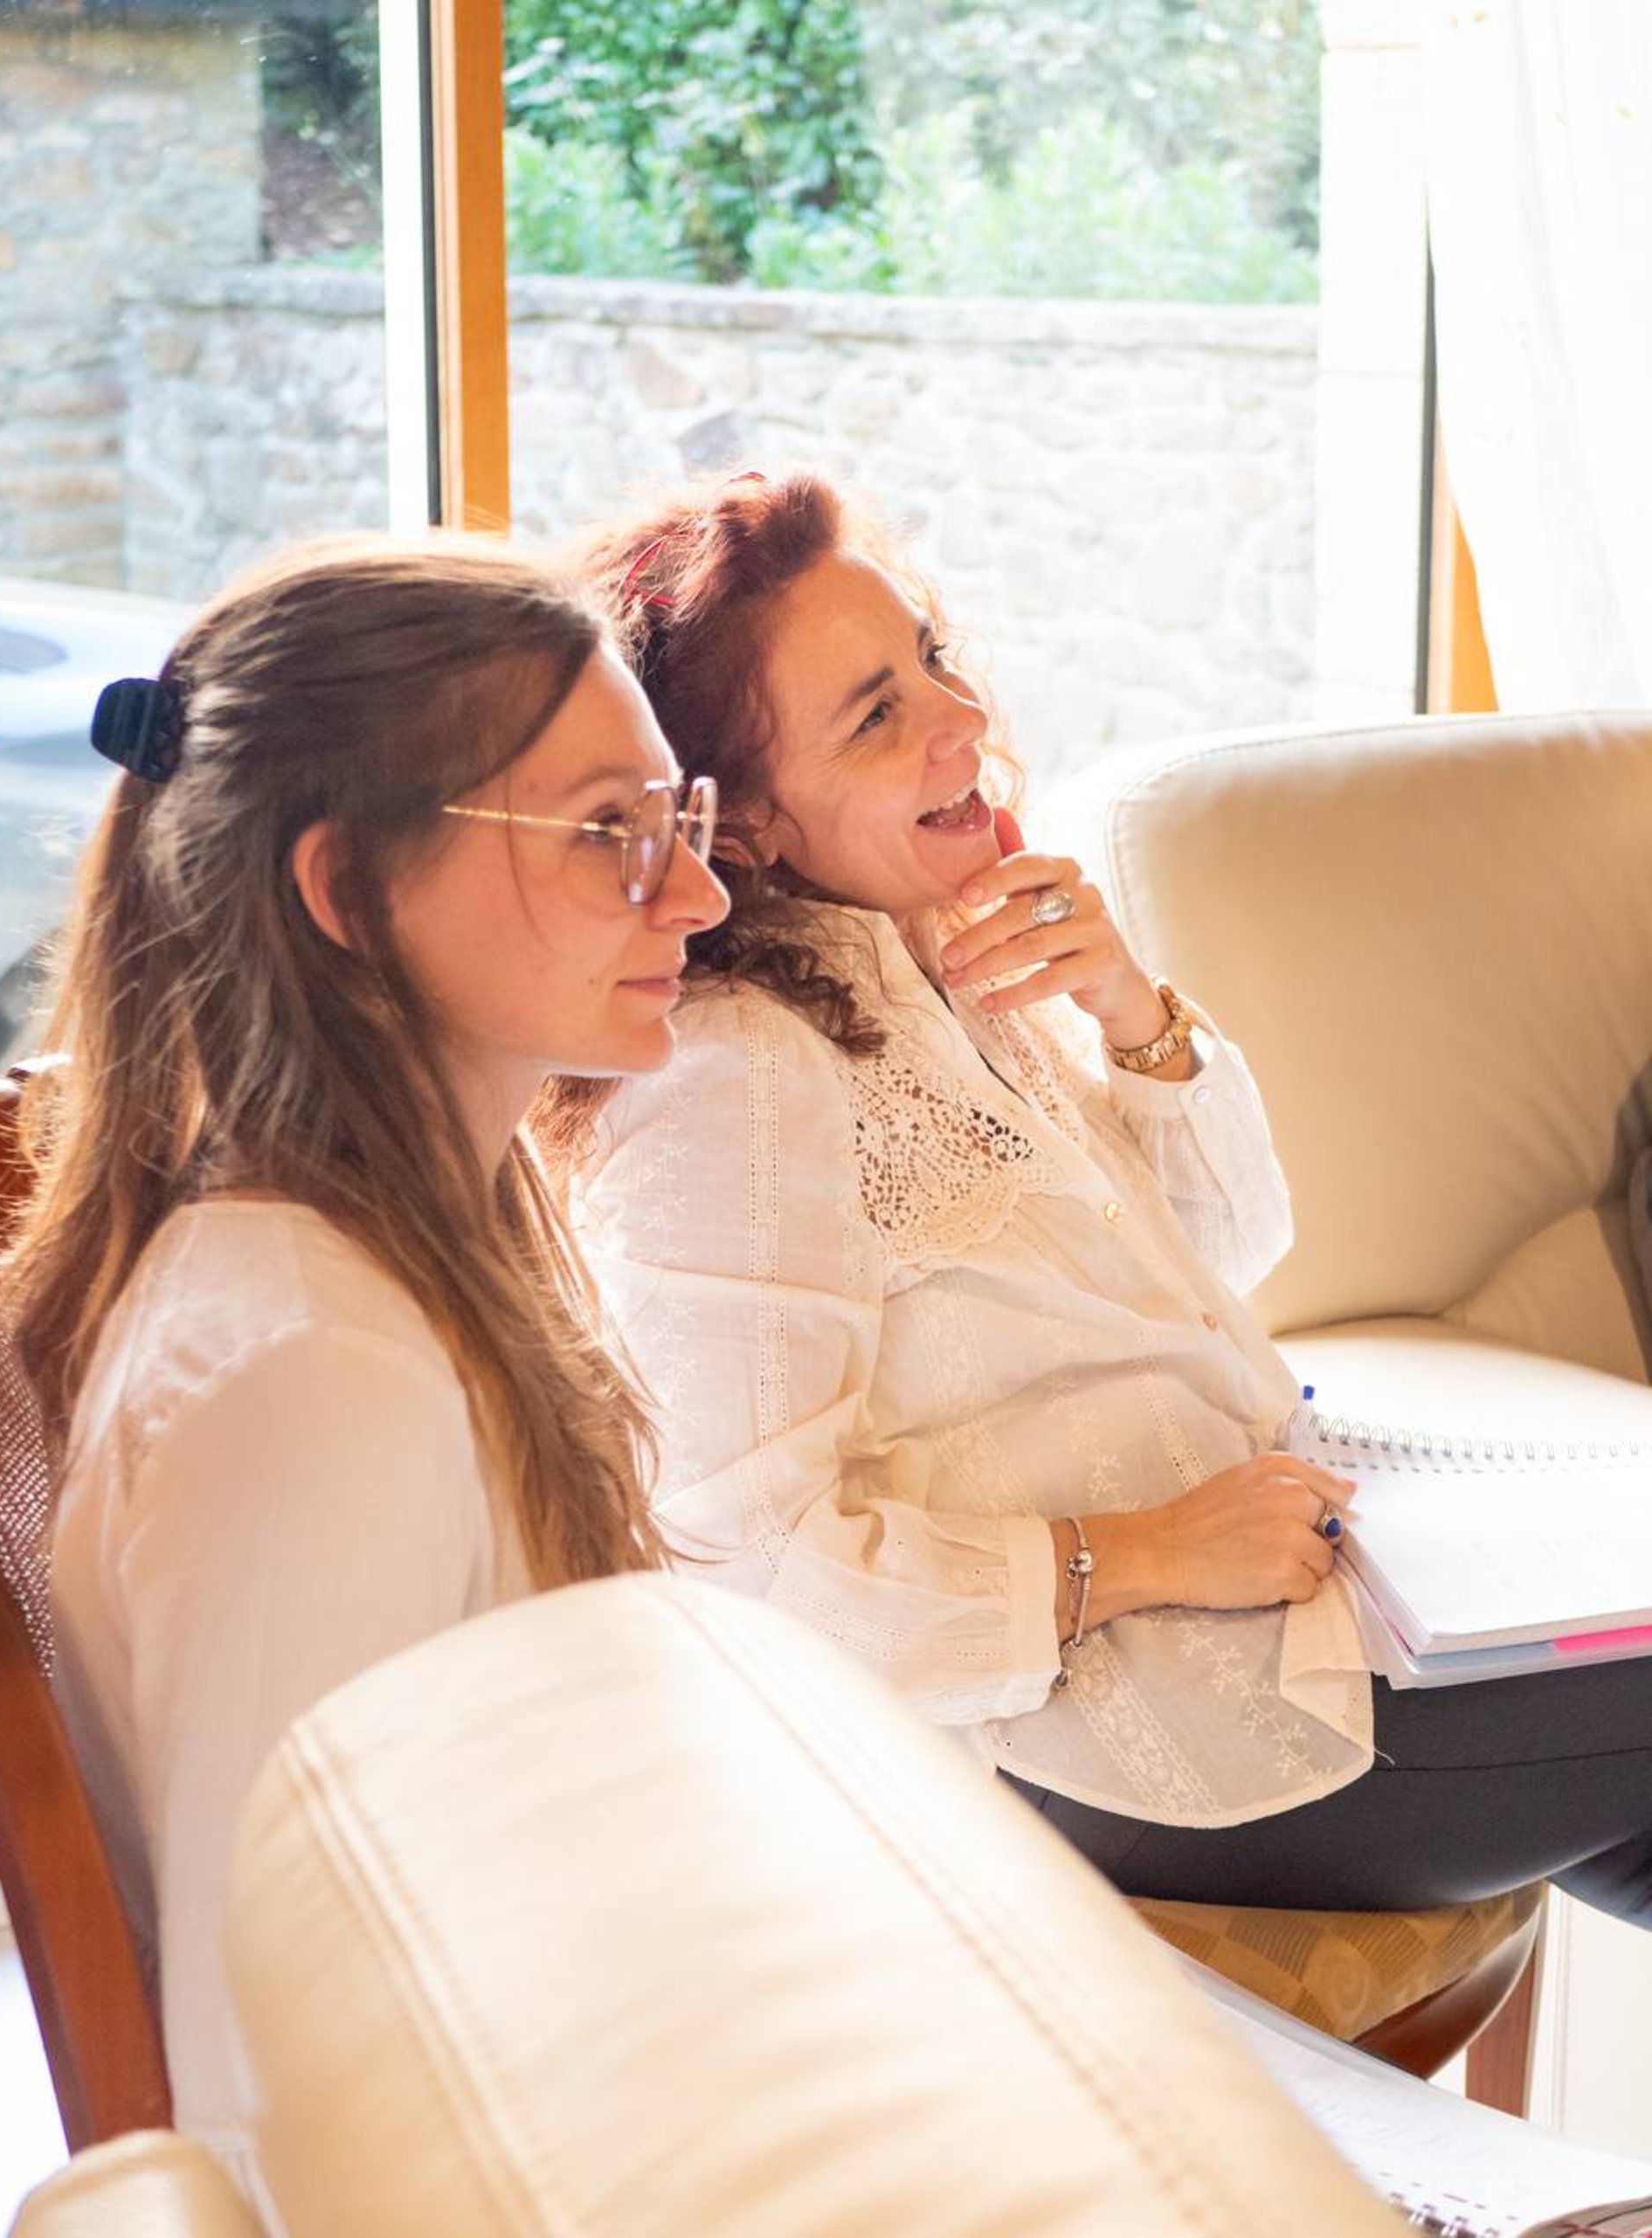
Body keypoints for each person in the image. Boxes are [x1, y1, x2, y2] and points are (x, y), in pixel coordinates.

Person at [555, 470, 1652, 1929]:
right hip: (1111, 1741)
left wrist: (1136, 1014)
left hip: (1294, 1602)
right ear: (740, 823)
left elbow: (1228, 1255)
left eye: (931, 657)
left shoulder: (935, 956)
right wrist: (1142, 1555)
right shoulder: (737, 1074)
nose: (962, 720)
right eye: (876, 714)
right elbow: (739, 1573)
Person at [0, 538, 728, 2201]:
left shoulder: (404, 1260)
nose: (696, 893)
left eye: (675, 819)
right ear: (342, 892)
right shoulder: (316, 1377)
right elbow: (286, 2101)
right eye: (608, 831)